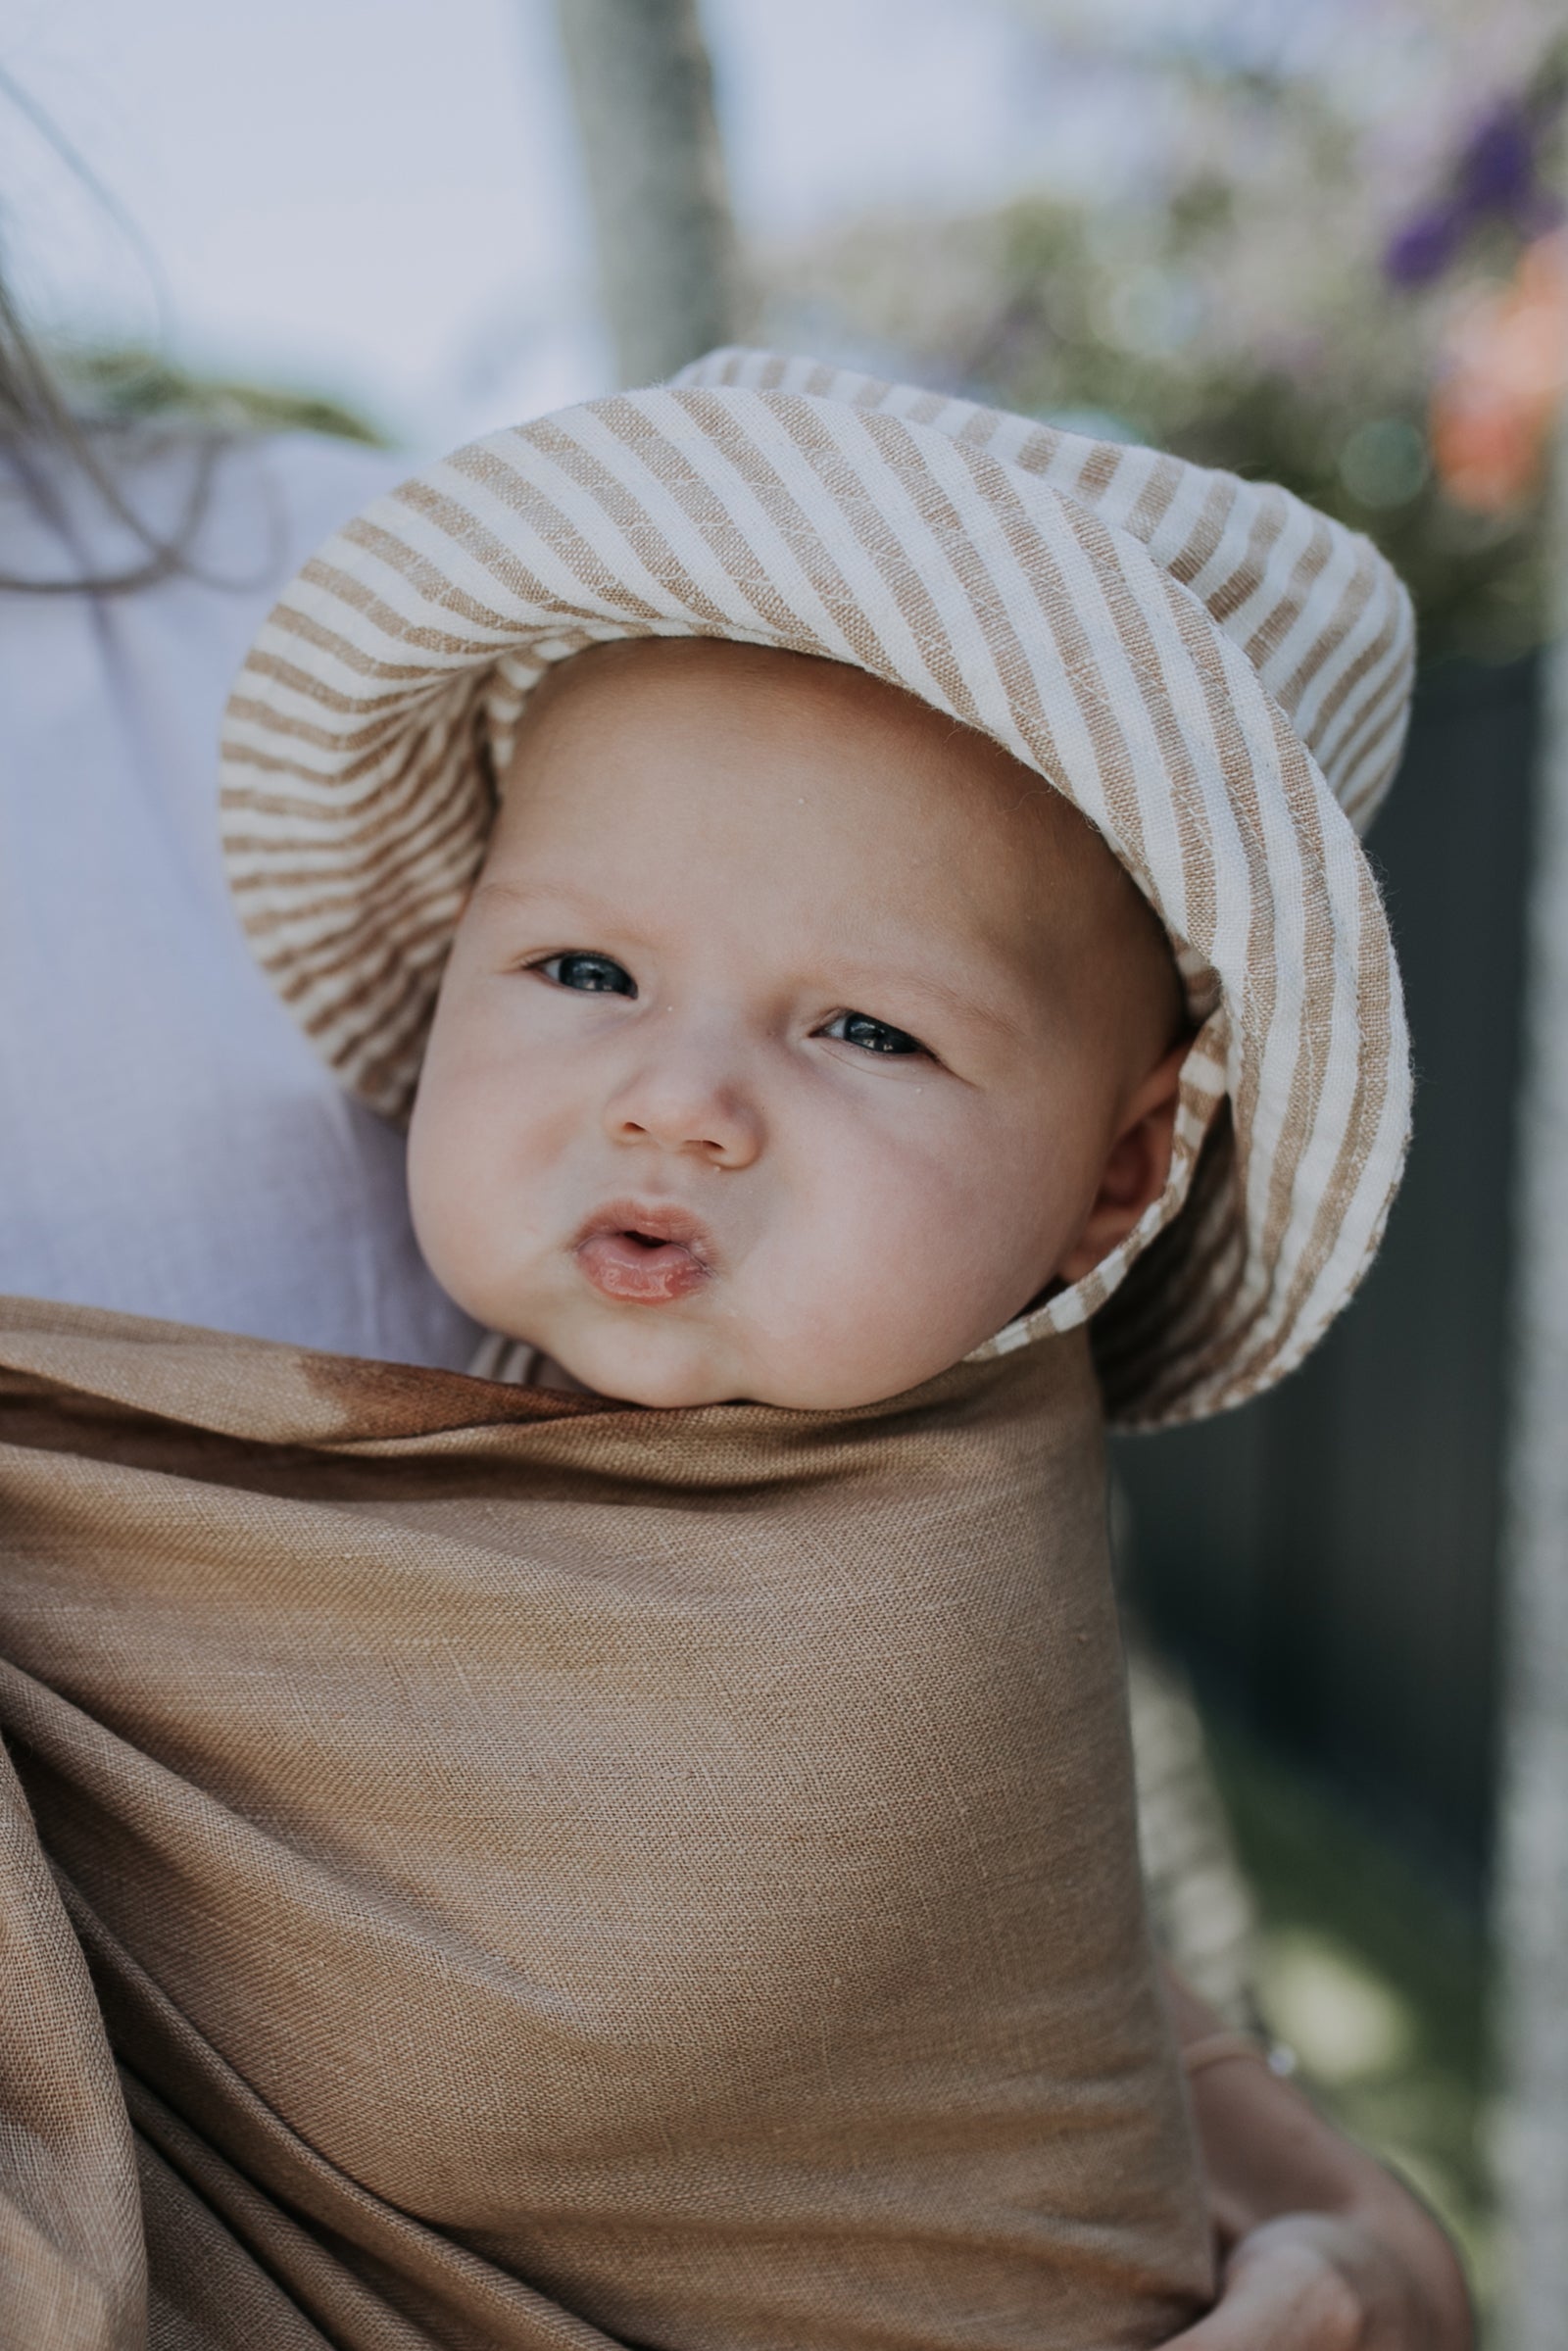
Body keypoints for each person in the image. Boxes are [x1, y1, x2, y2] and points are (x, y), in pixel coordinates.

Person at [0, 327, 1470, 2348]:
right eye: (582, 968)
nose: (672, 1098)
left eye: (865, 1028)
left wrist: (1310, 2188)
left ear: (1118, 1180)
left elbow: (1015, 1953)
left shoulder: (959, 1520)